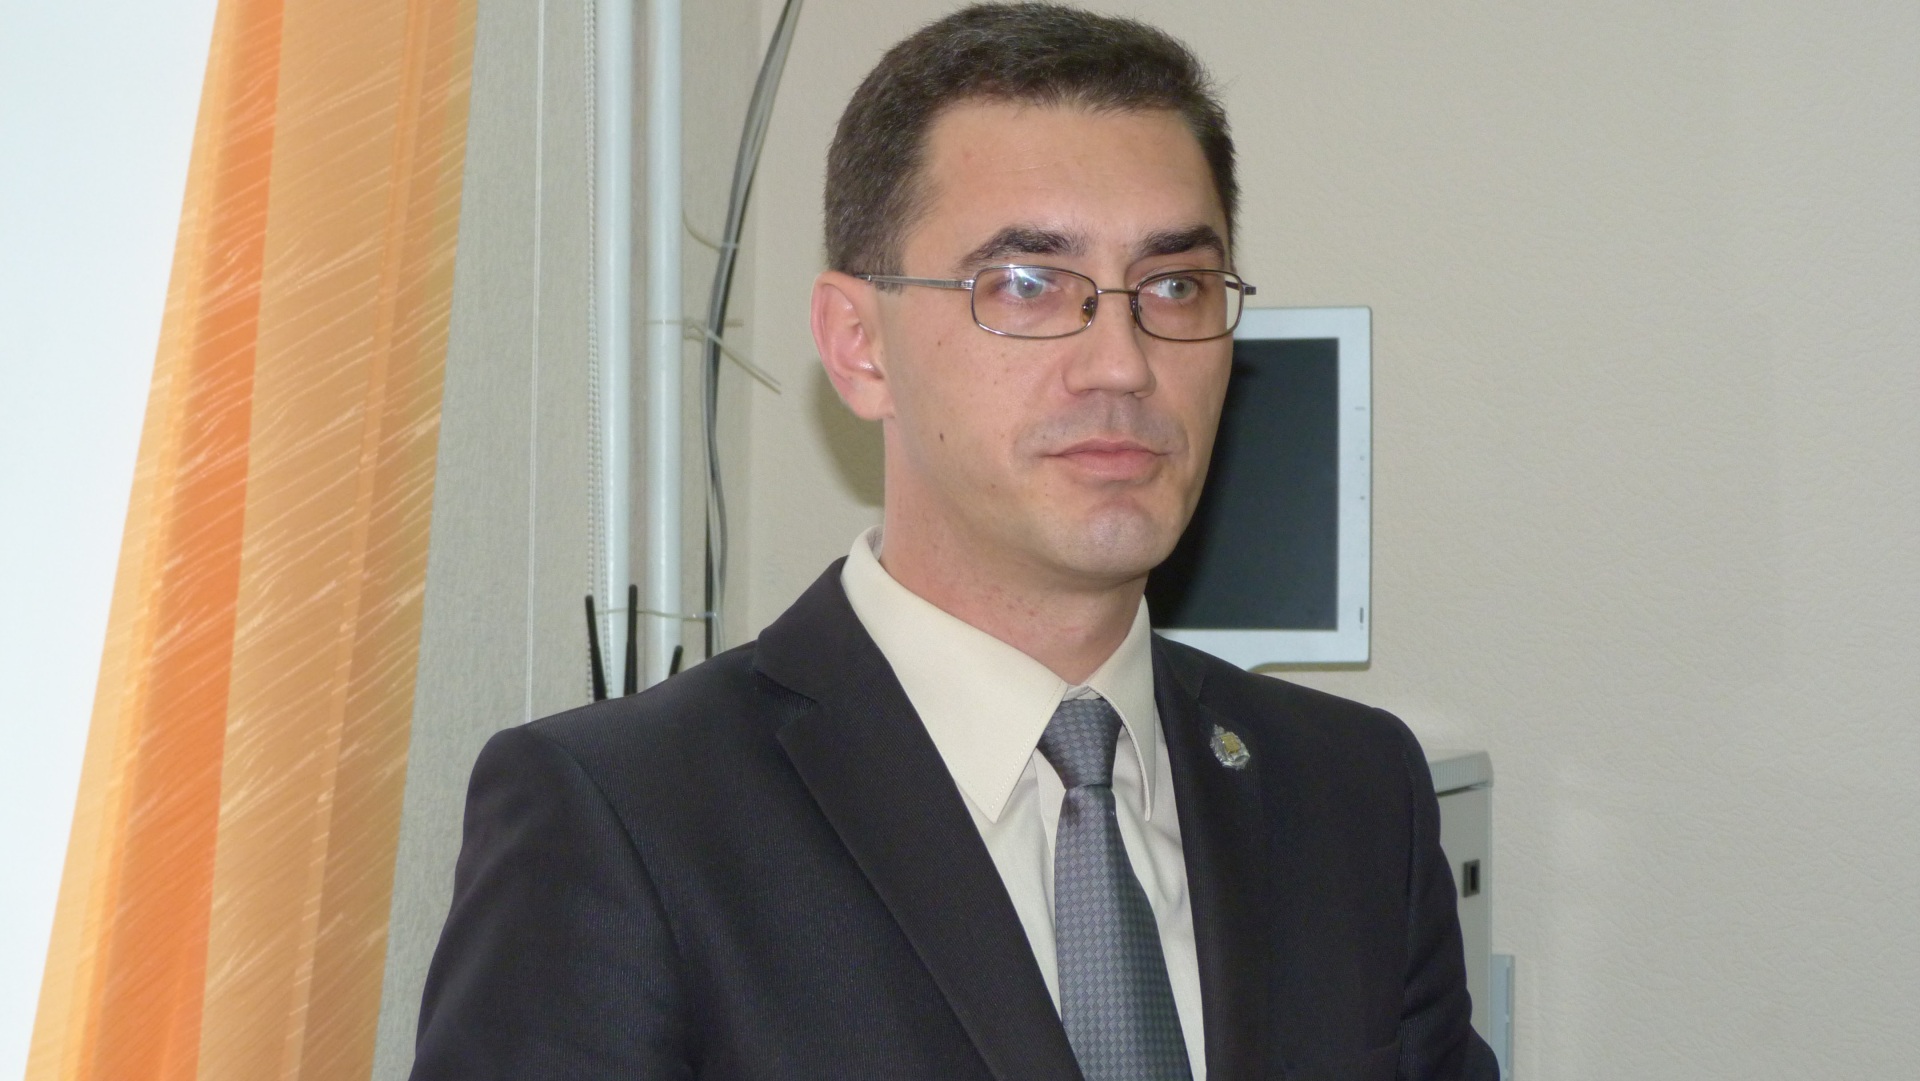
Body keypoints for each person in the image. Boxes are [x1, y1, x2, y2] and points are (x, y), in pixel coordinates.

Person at [410, 5, 1498, 1080]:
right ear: (859, 345)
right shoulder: (627, 819)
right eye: (1026, 285)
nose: (1122, 363)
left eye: (1174, 286)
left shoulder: (1356, 796)